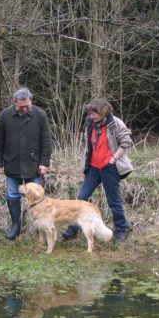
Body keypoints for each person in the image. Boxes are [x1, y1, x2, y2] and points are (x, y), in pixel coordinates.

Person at [62, 98, 133, 243]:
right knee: (82, 197)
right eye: (90, 113)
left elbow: (126, 141)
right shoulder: (90, 123)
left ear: (104, 111)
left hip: (110, 168)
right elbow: (89, 145)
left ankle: (121, 229)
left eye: (94, 113)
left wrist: (114, 158)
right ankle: (73, 229)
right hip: (93, 168)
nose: (91, 116)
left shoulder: (115, 123)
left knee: (113, 200)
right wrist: (85, 163)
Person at [0, 87, 52, 240]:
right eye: (21, 106)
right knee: (12, 196)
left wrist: (44, 163)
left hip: (34, 165)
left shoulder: (40, 115)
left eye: (27, 106)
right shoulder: (5, 115)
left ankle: (40, 228)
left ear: (31, 101)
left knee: (38, 197)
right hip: (12, 164)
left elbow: (46, 141)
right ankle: (16, 226)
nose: (25, 109)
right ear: (14, 103)